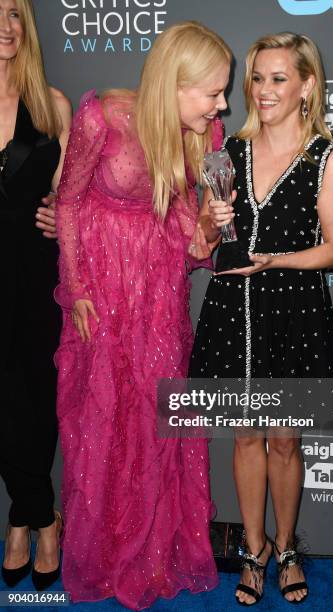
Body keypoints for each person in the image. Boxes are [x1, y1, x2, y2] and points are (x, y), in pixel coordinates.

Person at [54, 21, 231, 610]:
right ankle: (102, 556)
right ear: (176, 85)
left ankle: (155, 554)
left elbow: (192, 242)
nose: (221, 104)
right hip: (101, 293)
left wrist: (210, 229)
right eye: (212, 92)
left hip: (159, 296)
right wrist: (77, 287)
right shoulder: (103, 116)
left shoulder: (204, 137)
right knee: (104, 418)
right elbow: (72, 204)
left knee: (158, 416)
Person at [189, 32, 333, 605]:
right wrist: (210, 223)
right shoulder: (225, 152)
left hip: (295, 312)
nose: (262, 90)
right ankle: (253, 550)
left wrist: (275, 262)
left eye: (278, 78)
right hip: (233, 310)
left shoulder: (326, 157)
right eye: (257, 77)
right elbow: (198, 245)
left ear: (307, 85)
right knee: (245, 437)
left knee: (285, 442)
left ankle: (286, 547)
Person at [0, 0, 71, 592]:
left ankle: (25, 522)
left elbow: (72, 200)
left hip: (34, 271)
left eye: (14, 14)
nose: (5, 27)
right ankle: (37, 516)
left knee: (35, 395)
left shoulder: (51, 107)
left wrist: (59, 216)